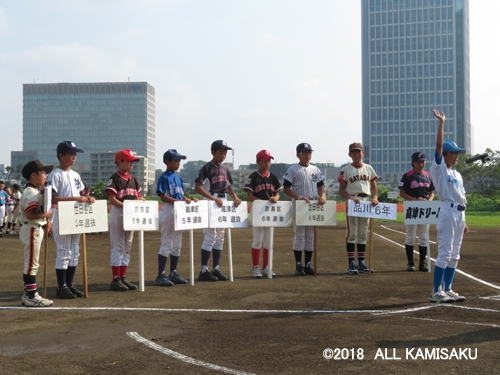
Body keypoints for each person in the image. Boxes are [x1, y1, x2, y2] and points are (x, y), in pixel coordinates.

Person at [429, 110, 468, 303]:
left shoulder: (457, 174)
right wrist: (442, 123)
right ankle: (436, 290)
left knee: (455, 254)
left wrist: (464, 220)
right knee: (445, 252)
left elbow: (461, 197)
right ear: (444, 155)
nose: (456, 156)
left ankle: (448, 288)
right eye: (453, 153)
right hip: (447, 211)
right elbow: (437, 146)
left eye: (457, 153)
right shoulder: (439, 168)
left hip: (459, 214)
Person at [49, 141, 94, 299]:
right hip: (61, 216)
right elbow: (52, 198)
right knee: (63, 251)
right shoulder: (55, 175)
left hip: (75, 216)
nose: (74, 157)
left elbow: (82, 192)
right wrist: (74, 198)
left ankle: (70, 284)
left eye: (75, 154)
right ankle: (61, 287)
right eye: (70, 154)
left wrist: (88, 198)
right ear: (61, 156)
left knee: (75, 251)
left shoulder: (76, 175)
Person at [194, 140, 241, 282]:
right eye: (220, 152)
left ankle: (215, 268)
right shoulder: (207, 168)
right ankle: (203, 270)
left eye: (225, 152)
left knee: (220, 236)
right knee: (210, 237)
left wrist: (235, 197)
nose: (223, 155)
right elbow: (198, 187)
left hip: (223, 201)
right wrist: (212, 199)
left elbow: (228, 186)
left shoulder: (225, 169)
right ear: (212, 152)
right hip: (211, 201)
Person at [155, 149, 198, 287]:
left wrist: (188, 199)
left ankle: (173, 272)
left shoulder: (179, 178)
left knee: (177, 244)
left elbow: (180, 195)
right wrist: (178, 202)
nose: (178, 163)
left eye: (179, 160)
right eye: (176, 160)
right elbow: (162, 196)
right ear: (167, 162)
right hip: (168, 210)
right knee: (167, 242)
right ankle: (161, 274)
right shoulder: (164, 177)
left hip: (179, 211)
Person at [283, 143, 326, 276]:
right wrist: (298, 197)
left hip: (312, 204)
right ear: (298, 155)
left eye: (309, 152)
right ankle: (298, 264)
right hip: (299, 204)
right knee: (300, 235)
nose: (308, 155)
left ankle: (307, 263)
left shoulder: (316, 169)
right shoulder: (293, 169)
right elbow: (286, 188)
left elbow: (320, 186)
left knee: (310, 235)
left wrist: (323, 196)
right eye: (305, 152)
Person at [106, 149, 144, 291]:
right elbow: (112, 199)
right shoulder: (114, 178)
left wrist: (140, 200)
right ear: (120, 162)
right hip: (119, 213)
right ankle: (115, 278)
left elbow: (137, 196)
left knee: (127, 246)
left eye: (133, 161)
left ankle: (123, 277)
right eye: (128, 161)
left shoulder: (134, 180)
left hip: (131, 215)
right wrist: (126, 207)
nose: (131, 164)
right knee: (118, 246)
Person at [338, 142, 378, 275]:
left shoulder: (369, 168)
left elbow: (373, 186)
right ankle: (351, 262)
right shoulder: (346, 170)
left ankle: (361, 261)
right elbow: (342, 190)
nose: (356, 154)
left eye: (358, 151)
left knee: (362, 233)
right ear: (350, 155)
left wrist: (375, 197)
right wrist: (349, 199)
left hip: (366, 201)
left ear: (363, 153)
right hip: (353, 201)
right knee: (352, 233)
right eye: (353, 152)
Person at [19, 160, 54, 307]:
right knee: (31, 264)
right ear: (34, 175)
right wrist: (46, 214)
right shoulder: (31, 193)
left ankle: (29, 293)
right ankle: (31, 296)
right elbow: (31, 214)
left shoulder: (34, 191)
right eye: (43, 173)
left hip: (35, 228)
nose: (45, 176)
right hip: (32, 228)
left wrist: (46, 222)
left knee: (33, 263)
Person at [244, 150, 282, 278]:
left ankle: (266, 267)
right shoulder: (253, 177)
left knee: (268, 240)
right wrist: (263, 203)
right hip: (258, 212)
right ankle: (255, 268)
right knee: (257, 240)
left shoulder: (273, 177)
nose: (268, 163)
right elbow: (250, 195)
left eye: (269, 160)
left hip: (270, 213)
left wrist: (276, 197)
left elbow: (277, 193)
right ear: (258, 162)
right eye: (265, 160)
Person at [399, 152, 435, 272]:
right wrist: (414, 199)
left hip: (424, 207)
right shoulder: (407, 176)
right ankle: (410, 263)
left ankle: (422, 262)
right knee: (411, 236)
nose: (421, 164)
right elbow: (402, 192)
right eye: (419, 162)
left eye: (423, 161)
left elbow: (431, 192)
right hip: (412, 206)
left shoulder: (428, 176)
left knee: (424, 236)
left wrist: (429, 201)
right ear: (413, 163)